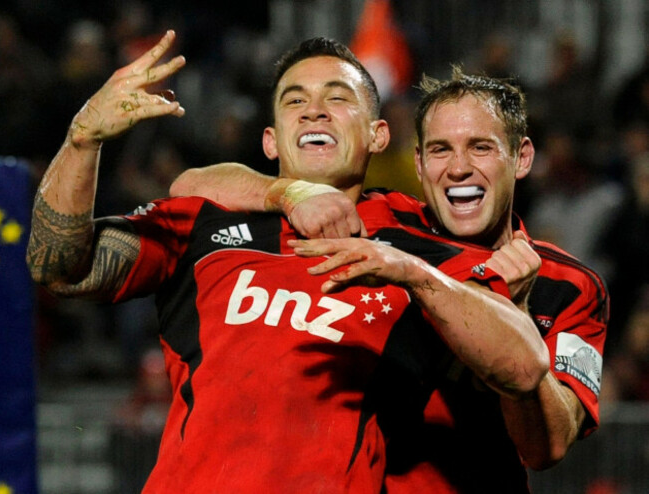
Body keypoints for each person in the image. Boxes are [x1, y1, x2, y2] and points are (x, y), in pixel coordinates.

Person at [27, 32, 546, 493]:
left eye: (337, 99)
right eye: (295, 101)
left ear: (378, 135)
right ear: (271, 141)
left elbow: (524, 367)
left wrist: (412, 273)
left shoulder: (415, 242)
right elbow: (58, 267)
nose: (313, 110)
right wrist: (82, 141)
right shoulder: (204, 225)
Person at [171, 67, 609, 493]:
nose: (458, 168)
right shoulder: (377, 222)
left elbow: (545, 449)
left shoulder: (569, 283)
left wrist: (518, 314)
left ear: (522, 157)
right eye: (439, 150)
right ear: (418, 163)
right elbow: (193, 183)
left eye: (480, 148)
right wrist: (290, 193)